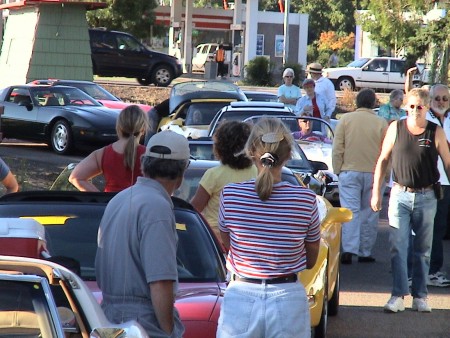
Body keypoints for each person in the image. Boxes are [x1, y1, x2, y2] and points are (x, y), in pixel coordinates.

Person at [217, 118, 320, 338]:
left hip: (241, 295)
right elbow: (310, 260)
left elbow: (228, 245)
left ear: (252, 152)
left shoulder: (230, 195)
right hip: (288, 298)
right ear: (288, 153)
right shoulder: (306, 200)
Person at [95, 130, 189, 337]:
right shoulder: (158, 208)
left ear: (144, 164)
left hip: (109, 319)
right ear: (182, 173)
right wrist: (168, 331)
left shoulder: (118, 199)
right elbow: (160, 282)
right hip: (144, 325)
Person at [371, 88, 450, 313]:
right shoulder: (396, 128)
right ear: (406, 106)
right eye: (412, 106)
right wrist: (376, 192)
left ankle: (420, 296)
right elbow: (383, 160)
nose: (415, 110)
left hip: (427, 196)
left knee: (423, 249)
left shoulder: (435, 131)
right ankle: (397, 295)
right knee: (398, 246)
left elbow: (447, 162)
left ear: (427, 108)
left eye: (420, 107)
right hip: (399, 194)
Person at [332, 88, 388, 264]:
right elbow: (387, 152)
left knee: (350, 211)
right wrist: (386, 174)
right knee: (370, 213)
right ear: (373, 103)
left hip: (349, 170)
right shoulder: (381, 123)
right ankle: (365, 251)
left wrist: (337, 169)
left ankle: (349, 249)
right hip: (374, 172)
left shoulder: (346, 120)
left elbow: (338, 147)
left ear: (357, 102)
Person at [190, 121, 257, 237]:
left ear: (220, 147)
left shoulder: (214, 175)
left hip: (216, 240)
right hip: (247, 239)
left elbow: (194, 208)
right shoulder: (258, 173)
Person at [69, 105, 148, 192]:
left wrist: (100, 200)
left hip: (110, 204)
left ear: (119, 127)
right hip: (140, 204)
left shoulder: (102, 154)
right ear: (143, 129)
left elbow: (76, 178)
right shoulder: (150, 155)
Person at [425, 84, 450, 287]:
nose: (441, 102)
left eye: (445, 98)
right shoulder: (424, 120)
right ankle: (421, 271)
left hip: (447, 183)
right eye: (437, 98)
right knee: (422, 228)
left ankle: (434, 270)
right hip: (427, 182)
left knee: (439, 228)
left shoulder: (449, 121)